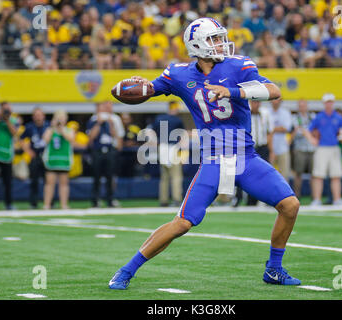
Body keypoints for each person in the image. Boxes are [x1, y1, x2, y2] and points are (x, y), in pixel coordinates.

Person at [109, 17, 301, 290]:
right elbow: (151, 88)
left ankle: (274, 269)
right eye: (214, 39)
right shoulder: (179, 73)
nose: (221, 44)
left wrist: (232, 91)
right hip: (214, 159)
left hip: (245, 156)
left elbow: (274, 91)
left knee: (290, 205)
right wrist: (144, 87)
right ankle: (127, 270)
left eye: (221, 38)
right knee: (183, 223)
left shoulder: (239, 65)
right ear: (197, 45)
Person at [303, 94, 342, 206]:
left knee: (336, 175)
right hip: (322, 148)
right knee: (318, 175)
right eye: (327, 102)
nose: (329, 104)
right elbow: (307, 130)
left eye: (331, 102)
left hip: (334, 147)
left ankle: (337, 199)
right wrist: (312, 139)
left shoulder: (338, 117)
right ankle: (317, 199)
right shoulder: (319, 117)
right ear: (324, 103)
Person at [234, 100, 274, 206]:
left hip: (262, 146)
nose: (257, 104)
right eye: (255, 102)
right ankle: (238, 198)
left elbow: (269, 132)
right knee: (241, 172)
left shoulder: (265, 113)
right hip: (247, 147)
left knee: (260, 174)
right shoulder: (244, 113)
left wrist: (271, 149)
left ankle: (256, 200)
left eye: (258, 102)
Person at [150, 101, 185, 207]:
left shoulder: (159, 118)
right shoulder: (177, 120)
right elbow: (181, 135)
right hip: (173, 147)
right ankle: (177, 199)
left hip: (162, 147)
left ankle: (163, 200)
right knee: (176, 175)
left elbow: (152, 132)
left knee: (164, 176)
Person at [87, 102, 119, 208]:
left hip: (109, 150)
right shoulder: (93, 120)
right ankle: (95, 200)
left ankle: (110, 199)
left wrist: (110, 123)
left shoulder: (111, 120)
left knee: (110, 176)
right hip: (98, 151)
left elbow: (115, 135)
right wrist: (98, 123)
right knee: (96, 176)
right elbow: (91, 137)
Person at [42, 109, 74, 210]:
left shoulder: (68, 130)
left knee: (64, 184)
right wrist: (53, 127)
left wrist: (61, 129)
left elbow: (70, 139)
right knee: (49, 184)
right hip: (52, 161)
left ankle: (64, 204)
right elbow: (45, 140)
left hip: (64, 161)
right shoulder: (50, 130)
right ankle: (47, 204)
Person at [20, 107, 50, 209]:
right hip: (35, 156)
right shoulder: (29, 127)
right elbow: (21, 139)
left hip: (47, 157)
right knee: (34, 181)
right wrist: (28, 151)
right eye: (36, 115)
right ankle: (33, 202)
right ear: (33, 117)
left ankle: (50, 202)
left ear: (43, 116)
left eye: (40, 115)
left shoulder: (48, 126)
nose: (38, 117)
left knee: (49, 181)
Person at [291, 99, 316, 199]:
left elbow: (315, 130)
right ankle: (297, 196)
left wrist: (305, 131)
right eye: (300, 106)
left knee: (314, 174)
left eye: (304, 105)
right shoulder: (295, 117)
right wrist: (307, 132)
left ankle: (315, 197)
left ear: (307, 106)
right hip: (300, 148)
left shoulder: (312, 116)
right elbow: (298, 132)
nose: (302, 107)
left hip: (312, 149)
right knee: (298, 174)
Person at [268, 98, 292, 182]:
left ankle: (285, 195)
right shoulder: (266, 113)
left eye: (277, 99)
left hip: (283, 148)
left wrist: (272, 129)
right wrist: (279, 128)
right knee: (269, 175)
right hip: (270, 149)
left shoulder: (285, 113)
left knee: (284, 176)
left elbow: (286, 128)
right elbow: (266, 130)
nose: (275, 101)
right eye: (274, 99)